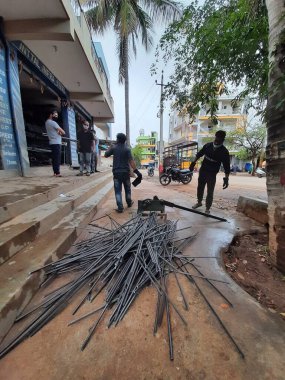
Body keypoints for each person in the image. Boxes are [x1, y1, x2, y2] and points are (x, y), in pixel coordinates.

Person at [190, 130, 230, 214]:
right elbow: (199, 154)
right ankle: (199, 202)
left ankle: (207, 208)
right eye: (216, 137)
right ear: (215, 136)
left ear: (223, 139)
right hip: (203, 170)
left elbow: (227, 166)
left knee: (210, 191)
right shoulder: (207, 146)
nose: (217, 139)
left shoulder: (224, 152)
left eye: (220, 138)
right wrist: (193, 163)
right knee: (200, 187)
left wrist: (226, 179)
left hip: (212, 173)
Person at [104, 132, 142, 213]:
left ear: (117, 139)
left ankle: (120, 207)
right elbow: (131, 161)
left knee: (118, 191)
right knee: (127, 189)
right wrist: (136, 171)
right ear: (125, 140)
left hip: (116, 173)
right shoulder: (127, 149)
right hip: (126, 173)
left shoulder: (114, 148)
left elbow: (106, 155)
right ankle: (129, 203)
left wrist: (110, 147)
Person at [45, 109, 65, 177]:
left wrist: (58, 132)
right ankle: (57, 172)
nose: (56, 116)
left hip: (52, 142)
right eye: (55, 115)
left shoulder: (47, 122)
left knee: (54, 158)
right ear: (51, 115)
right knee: (57, 158)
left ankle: (55, 172)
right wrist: (60, 132)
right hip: (56, 142)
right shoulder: (53, 123)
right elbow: (63, 132)